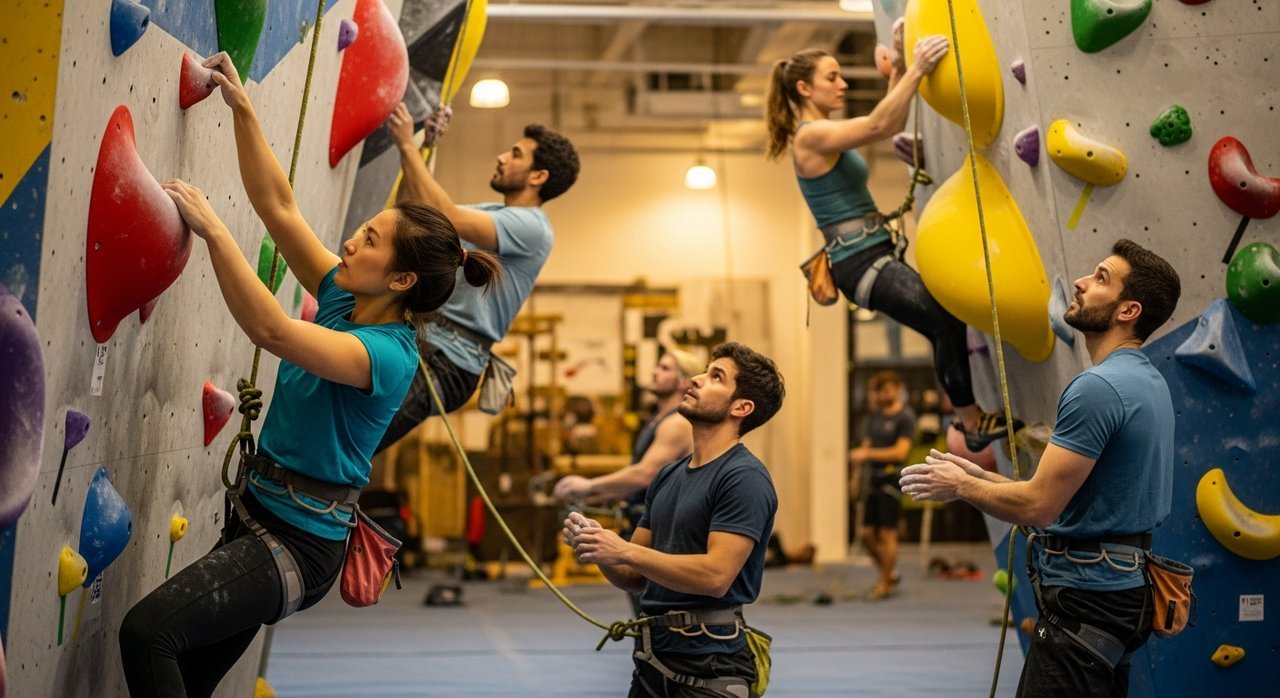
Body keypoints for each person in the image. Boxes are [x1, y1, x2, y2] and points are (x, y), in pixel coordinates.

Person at [118, 52, 500, 696]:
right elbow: (281, 208)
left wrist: (214, 233)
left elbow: (272, 331)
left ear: (402, 281)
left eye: (371, 242)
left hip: (298, 544)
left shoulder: (387, 353)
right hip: (260, 516)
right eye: (365, 230)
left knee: (147, 633)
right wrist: (244, 110)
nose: (352, 241)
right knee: (182, 669)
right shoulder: (348, 297)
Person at [900, 239, 1182, 696]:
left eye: (1101, 278)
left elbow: (1038, 507)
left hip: (1089, 597)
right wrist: (971, 478)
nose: (1081, 282)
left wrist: (964, 487)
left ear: (1128, 311)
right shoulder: (1146, 381)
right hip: (1121, 591)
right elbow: (1059, 495)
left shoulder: (1097, 388)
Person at [765, 22, 1019, 452]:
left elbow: (891, 119)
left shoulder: (825, 131)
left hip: (872, 253)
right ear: (805, 89)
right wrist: (916, 69)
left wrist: (901, 63)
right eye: (832, 77)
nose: (843, 83)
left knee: (947, 318)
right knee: (942, 320)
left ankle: (970, 418)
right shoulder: (811, 136)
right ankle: (970, 421)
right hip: (859, 262)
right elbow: (882, 124)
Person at [564, 342, 785, 697]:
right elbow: (632, 577)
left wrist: (622, 551)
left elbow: (715, 576)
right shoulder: (669, 476)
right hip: (654, 663)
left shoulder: (744, 478)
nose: (696, 379)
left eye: (716, 377)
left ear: (741, 407)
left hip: (711, 664)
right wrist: (597, 547)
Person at [377, 102, 580, 451]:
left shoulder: (533, 228)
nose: (502, 157)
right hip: (426, 342)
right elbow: (415, 215)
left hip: (448, 360)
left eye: (515, 154)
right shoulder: (494, 212)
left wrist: (408, 145)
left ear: (538, 176)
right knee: (349, 426)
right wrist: (426, 146)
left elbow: (447, 216)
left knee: (358, 440)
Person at [849, 370, 916, 599]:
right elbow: (863, 449)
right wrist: (855, 477)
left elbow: (900, 452)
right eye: (881, 389)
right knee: (866, 533)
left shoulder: (905, 417)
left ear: (898, 390)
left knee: (888, 533)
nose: (885, 393)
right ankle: (889, 572)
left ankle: (885, 583)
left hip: (892, 479)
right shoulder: (872, 418)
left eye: (889, 389)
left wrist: (867, 453)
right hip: (872, 480)